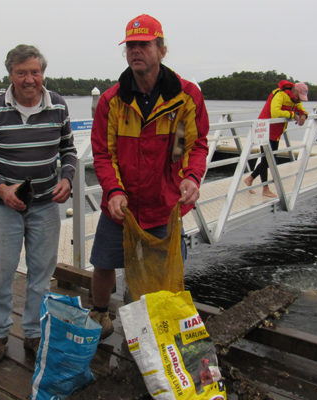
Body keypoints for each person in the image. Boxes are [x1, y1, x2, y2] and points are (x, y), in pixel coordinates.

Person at [89, 14, 209, 339]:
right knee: (103, 262)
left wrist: (191, 177)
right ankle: (99, 313)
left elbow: (192, 145)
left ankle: (150, 329)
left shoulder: (185, 97)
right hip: (121, 206)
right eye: (131, 45)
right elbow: (104, 154)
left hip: (162, 205)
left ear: (162, 49)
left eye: (143, 44)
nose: (135, 51)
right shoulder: (111, 101)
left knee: (163, 273)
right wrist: (113, 191)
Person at [0, 44, 77, 365]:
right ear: (10, 75)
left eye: (35, 72)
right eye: (22, 73)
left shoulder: (58, 105)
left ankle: (33, 333)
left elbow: (68, 150)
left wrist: (67, 178)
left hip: (45, 204)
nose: (29, 79)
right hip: (3, 206)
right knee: (1, 275)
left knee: (41, 276)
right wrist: (2, 189)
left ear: (43, 73)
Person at [244, 80, 309, 197]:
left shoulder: (294, 100)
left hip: (276, 132)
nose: (299, 100)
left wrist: (304, 115)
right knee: (267, 160)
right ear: (294, 91)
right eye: (299, 97)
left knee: (269, 159)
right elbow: (275, 113)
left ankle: (250, 179)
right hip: (265, 130)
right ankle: (264, 188)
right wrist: (292, 115)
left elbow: (300, 108)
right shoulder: (280, 95)